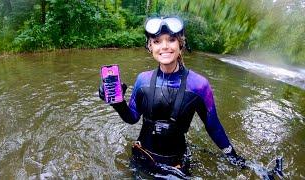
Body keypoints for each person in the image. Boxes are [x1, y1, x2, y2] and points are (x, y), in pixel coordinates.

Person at [99, 16, 245, 178]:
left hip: (177, 167)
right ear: (149, 47)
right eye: (157, 41)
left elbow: (213, 127)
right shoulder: (143, 79)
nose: (165, 46)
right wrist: (118, 103)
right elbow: (132, 117)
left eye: (171, 40)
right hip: (143, 158)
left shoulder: (199, 85)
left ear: (181, 44)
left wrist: (233, 157)